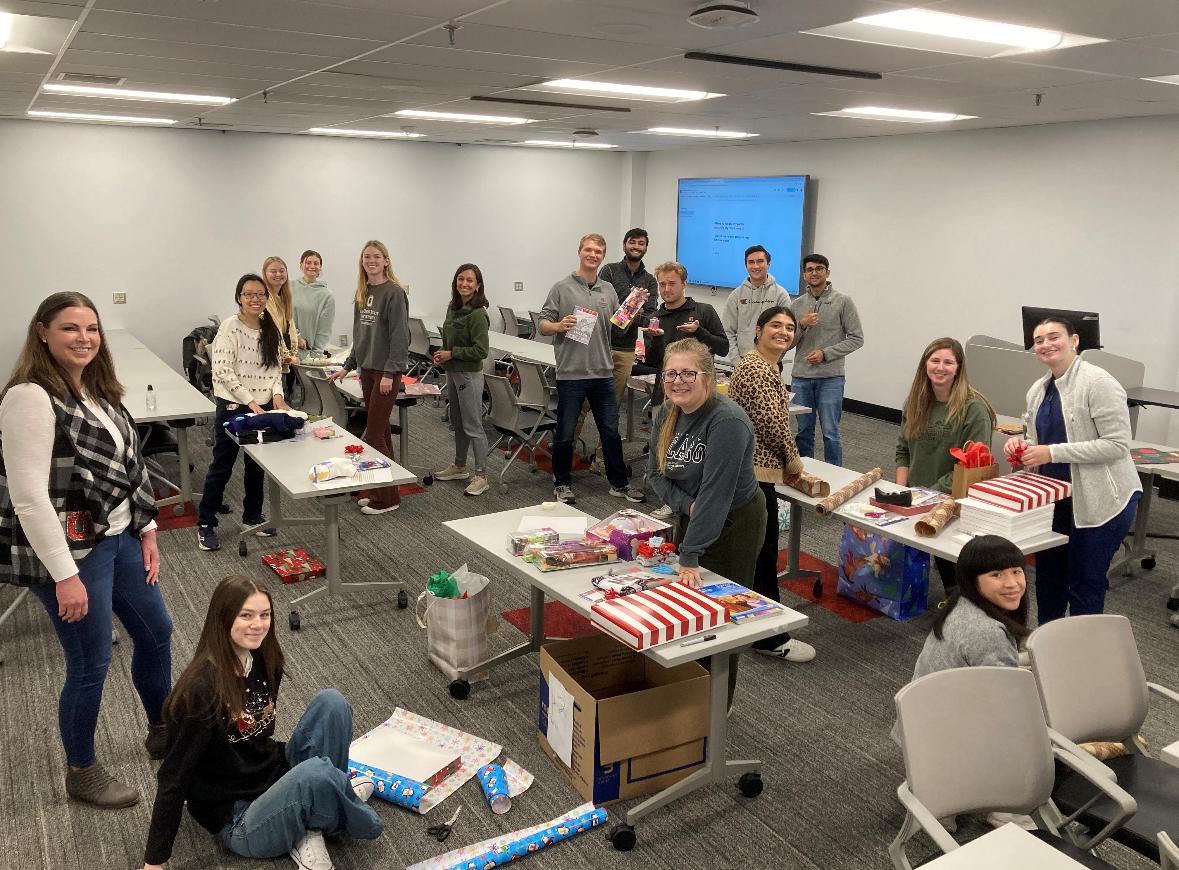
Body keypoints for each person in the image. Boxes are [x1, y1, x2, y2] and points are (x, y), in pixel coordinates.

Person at [0, 291, 172, 808]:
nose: (84, 338)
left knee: (157, 632)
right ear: (42, 333)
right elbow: (28, 498)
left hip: (117, 538)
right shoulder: (29, 397)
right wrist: (63, 576)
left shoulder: (97, 390)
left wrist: (148, 527)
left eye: (91, 328)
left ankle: (162, 728)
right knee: (91, 662)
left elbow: (130, 465)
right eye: (70, 328)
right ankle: (82, 770)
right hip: (71, 555)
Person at [140, 575, 382, 870]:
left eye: (264, 614)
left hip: (270, 775)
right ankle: (331, 806)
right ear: (223, 618)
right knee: (318, 774)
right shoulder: (198, 693)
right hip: (238, 817)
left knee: (332, 703)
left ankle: (315, 816)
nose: (258, 625)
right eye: (246, 615)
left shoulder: (265, 658)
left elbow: (256, 735)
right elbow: (172, 778)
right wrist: (154, 862)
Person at [647, 338, 766, 708]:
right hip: (695, 516)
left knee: (719, 616)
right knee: (687, 608)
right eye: (671, 373)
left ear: (709, 377)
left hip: (735, 524)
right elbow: (655, 476)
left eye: (688, 373)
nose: (678, 380)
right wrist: (688, 506)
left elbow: (717, 497)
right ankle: (689, 691)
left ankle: (717, 706)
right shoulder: (665, 413)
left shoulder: (727, 421)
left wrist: (690, 554)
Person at [1003, 317, 1141, 623]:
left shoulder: (1098, 383)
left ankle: (1081, 657)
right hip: (1056, 498)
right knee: (1049, 579)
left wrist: (1051, 452)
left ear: (1075, 340)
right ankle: (1046, 648)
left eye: (1054, 337)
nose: (1046, 344)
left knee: (1085, 582)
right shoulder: (1038, 390)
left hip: (1104, 501)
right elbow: (1037, 438)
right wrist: (1020, 446)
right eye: (1039, 340)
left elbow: (1117, 446)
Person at [728, 306, 816, 664]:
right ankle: (769, 637)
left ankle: (751, 622)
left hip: (751, 469)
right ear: (758, 330)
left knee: (756, 551)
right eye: (775, 326)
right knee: (762, 554)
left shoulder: (766, 366)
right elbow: (773, 423)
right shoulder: (757, 368)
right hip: (753, 473)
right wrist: (794, 464)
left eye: (790, 327)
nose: (783, 332)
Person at [538, 233, 644, 505]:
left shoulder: (608, 290)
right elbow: (542, 324)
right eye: (589, 249)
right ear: (579, 251)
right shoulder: (561, 288)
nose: (593, 254)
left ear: (603, 256)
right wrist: (559, 326)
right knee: (565, 431)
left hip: (602, 373)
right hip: (572, 374)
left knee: (610, 431)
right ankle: (562, 483)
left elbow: (617, 325)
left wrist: (633, 307)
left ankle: (618, 483)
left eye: (598, 251)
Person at [196, 274, 290, 551]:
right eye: (248, 294)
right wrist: (250, 402)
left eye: (260, 294)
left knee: (256, 466)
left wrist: (278, 396)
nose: (255, 299)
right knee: (222, 465)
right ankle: (205, 523)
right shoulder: (229, 327)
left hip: (264, 405)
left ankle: (252, 517)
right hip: (234, 405)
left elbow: (276, 367)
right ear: (239, 297)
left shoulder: (269, 326)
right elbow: (223, 371)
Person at [895, 337, 996, 595]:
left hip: (953, 498)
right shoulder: (915, 402)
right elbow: (903, 450)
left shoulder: (974, 410)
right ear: (925, 365)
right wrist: (900, 491)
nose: (940, 367)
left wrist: (927, 495)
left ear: (958, 368)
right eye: (935, 360)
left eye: (948, 362)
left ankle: (956, 595)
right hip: (917, 494)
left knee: (946, 558)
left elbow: (970, 468)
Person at [328, 240, 409, 515]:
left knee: (372, 435)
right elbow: (360, 335)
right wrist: (349, 365)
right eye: (366, 257)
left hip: (386, 372)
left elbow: (400, 337)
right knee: (382, 432)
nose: (371, 261)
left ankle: (388, 498)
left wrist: (390, 372)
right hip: (367, 371)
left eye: (376, 256)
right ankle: (383, 488)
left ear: (386, 261)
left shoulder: (393, 293)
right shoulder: (364, 292)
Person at [575, 228, 659, 463]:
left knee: (611, 408)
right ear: (624, 245)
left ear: (645, 248)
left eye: (641, 243)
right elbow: (604, 308)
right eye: (632, 242)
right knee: (582, 404)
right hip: (598, 346)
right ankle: (567, 454)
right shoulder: (609, 271)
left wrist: (627, 310)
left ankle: (602, 459)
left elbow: (649, 317)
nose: (636, 246)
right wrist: (633, 304)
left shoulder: (650, 281)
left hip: (625, 350)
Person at [911, 535, 1029, 680]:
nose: (1011, 583)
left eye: (1016, 571)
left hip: (929, 696)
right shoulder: (988, 633)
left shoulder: (960, 601)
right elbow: (1004, 694)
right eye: (996, 575)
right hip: (956, 700)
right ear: (972, 580)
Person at [789, 253, 864, 466]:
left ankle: (836, 476)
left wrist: (826, 354)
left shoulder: (843, 302)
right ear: (804, 275)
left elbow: (857, 339)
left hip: (831, 378)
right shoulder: (796, 305)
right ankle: (804, 476)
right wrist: (801, 325)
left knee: (831, 433)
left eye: (819, 268)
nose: (814, 273)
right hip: (801, 377)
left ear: (827, 272)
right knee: (803, 432)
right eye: (810, 269)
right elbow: (787, 343)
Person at [432, 263, 491, 497]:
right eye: (460, 279)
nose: (464, 284)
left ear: (477, 286)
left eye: (469, 280)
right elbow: (450, 339)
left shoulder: (478, 314)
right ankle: (459, 466)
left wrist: (453, 353)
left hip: (469, 374)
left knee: (474, 426)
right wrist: (442, 353)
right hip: (452, 372)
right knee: (458, 422)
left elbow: (481, 351)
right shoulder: (453, 308)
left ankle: (482, 475)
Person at [720, 245, 792, 362]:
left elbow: (787, 332)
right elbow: (728, 331)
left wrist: (774, 360)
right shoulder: (736, 295)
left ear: (768, 264)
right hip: (743, 361)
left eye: (760, 261)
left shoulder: (781, 294)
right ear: (746, 266)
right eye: (751, 262)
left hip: (772, 361)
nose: (756, 266)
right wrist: (737, 362)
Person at [262, 256, 301, 396]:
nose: (278, 274)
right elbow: (274, 330)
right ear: (265, 274)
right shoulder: (265, 298)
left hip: (280, 359)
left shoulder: (283, 297)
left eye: (281, 270)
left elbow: (291, 328)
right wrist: (287, 357)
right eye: (273, 271)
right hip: (269, 361)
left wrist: (293, 352)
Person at [291, 249, 335, 356]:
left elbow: (324, 329)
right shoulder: (289, 287)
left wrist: (316, 354)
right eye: (308, 262)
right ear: (301, 265)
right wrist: (296, 336)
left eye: (316, 263)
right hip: (285, 350)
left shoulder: (326, 295)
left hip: (306, 355)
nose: (312, 266)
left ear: (320, 267)